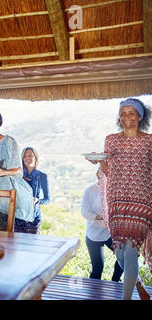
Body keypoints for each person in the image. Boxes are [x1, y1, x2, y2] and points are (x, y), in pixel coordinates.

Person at [88, 97, 151, 300]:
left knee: (131, 249)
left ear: (140, 116)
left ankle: (126, 298)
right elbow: (108, 170)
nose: (126, 117)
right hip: (117, 199)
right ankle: (137, 284)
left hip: (142, 201)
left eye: (131, 113)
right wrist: (97, 161)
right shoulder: (111, 139)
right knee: (121, 250)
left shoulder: (150, 141)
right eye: (123, 114)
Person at [0, 108, 35, 233]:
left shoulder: (9, 142)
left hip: (5, 195)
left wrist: (2, 172)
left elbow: (18, 170)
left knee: (5, 235)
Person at [81, 167, 123, 281]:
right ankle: (94, 293)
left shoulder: (115, 190)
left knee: (123, 257)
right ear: (98, 173)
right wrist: (101, 217)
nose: (104, 173)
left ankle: (115, 281)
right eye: (102, 170)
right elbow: (85, 212)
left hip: (111, 233)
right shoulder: (90, 190)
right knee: (98, 268)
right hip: (94, 235)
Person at [21, 147, 50, 234]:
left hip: (34, 219)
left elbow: (47, 200)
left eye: (30, 155)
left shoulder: (42, 176)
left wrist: (38, 201)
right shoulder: (18, 175)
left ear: (35, 157)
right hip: (18, 218)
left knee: (32, 246)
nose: (27, 158)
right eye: (25, 156)